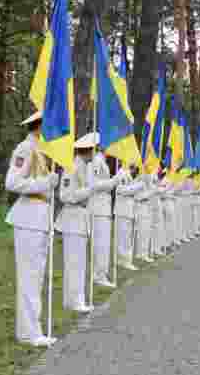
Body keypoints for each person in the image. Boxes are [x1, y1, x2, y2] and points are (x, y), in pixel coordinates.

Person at [4, 109, 60, 347]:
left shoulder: (42, 150)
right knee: (29, 277)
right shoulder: (25, 148)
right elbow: (11, 182)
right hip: (28, 218)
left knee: (36, 277)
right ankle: (28, 332)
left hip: (40, 218)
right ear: (39, 126)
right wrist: (44, 183)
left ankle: (33, 328)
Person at [57, 133, 97, 313]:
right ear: (87, 151)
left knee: (79, 262)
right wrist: (88, 191)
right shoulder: (72, 167)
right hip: (72, 218)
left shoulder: (83, 167)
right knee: (74, 262)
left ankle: (74, 299)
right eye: (93, 150)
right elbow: (65, 195)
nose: (95, 154)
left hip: (80, 218)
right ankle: (75, 301)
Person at [87, 142, 120, 288]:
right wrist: (113, 181)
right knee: (101, 243)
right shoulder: (97, 161)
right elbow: (93, 184)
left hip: (103, 206)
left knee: (103, 243)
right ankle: (99, 274)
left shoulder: (102, 161)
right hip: (98, 206)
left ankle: (100, 273)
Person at [115, 163, 141, 270]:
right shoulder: (122, 172)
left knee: (127, 237)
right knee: (123, 237)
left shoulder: (131, 175)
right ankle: (123, 260)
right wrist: (137, 186)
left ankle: (125, 259)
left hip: (129, 210)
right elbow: (121, 190)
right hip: (122, 210)